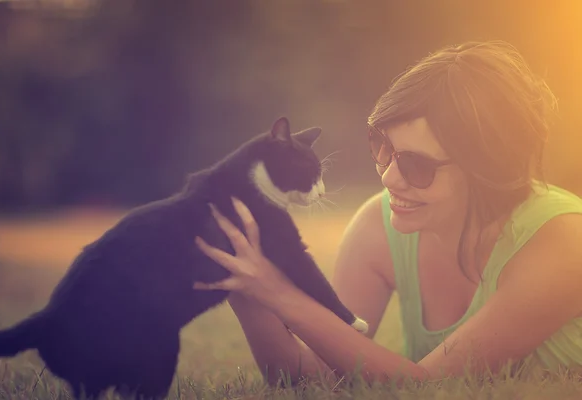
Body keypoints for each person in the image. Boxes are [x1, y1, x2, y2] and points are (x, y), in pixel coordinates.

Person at [193, 40, 582, 385]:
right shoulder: (377, 227)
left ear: (487, 169)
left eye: (416, 165)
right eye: (382, 148)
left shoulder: (562, 240)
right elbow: (316, 381)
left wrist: (282, 296)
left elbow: (428, 386)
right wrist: (244, 282)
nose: (389, 177)